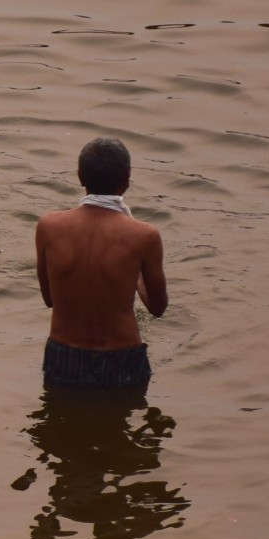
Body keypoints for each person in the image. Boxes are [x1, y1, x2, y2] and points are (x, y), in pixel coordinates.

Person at [34, 136, 167, 389]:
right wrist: (137, 278)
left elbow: (49, 299)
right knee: (122, 421)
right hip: (122, 357)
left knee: (60, 423)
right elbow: (158, 308)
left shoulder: (48, 227)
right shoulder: (144, 235)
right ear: (127, 180)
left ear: (80, 177)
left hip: (64, 355)